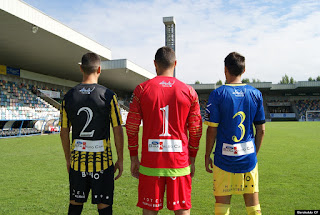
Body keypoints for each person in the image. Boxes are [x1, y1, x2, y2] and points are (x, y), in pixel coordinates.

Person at [126, 46, 202, 215]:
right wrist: (192, 157)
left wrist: (133, 157)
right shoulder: (189, 91)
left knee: (150, 212)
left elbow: (131, 127)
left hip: (150, 163)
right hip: (179, 162)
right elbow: (196, 129)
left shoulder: (141, 89)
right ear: (175, 64)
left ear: (155, 64)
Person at [60, 52, 124, 215]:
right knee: (104, 207)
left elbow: (64, 131)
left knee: (75, 205)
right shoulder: (109, 96)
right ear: (100, 69)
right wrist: (121, 159)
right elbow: (117, 129)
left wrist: (68, 159)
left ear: (81, 68)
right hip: (103, 163)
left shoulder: (68, 97)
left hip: (77, 162)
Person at [205, 52, 265, 215]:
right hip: (248, 159)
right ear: (244, 70)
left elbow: (211, 129)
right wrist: (254, 153)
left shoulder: (217, 94)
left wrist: (206, 155)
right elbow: (261, 130)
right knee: (254, 208)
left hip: (223, 159)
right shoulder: (256, 94)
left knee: (222, 208)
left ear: (225, 69)